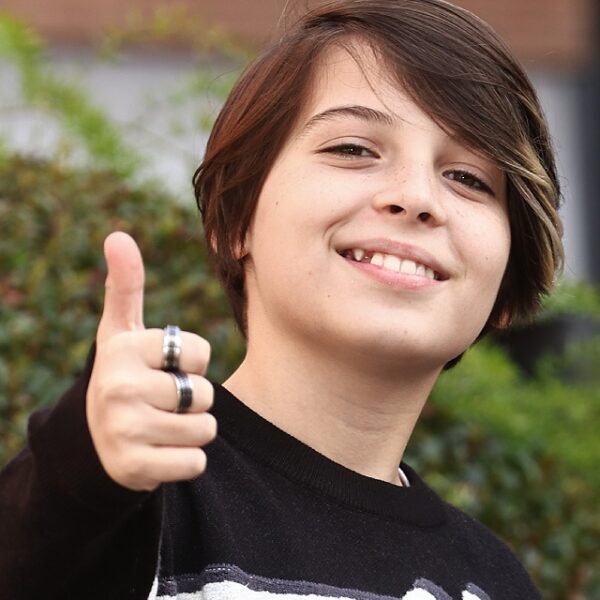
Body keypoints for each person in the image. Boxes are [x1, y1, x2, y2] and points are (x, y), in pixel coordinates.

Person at [0, 1, 563, 598]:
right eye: (353, 149)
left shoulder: (498, 581)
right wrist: (80, 468)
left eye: (469, 178)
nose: (418, 197)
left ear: (508, 282)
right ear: (235, 218)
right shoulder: (133, 492)